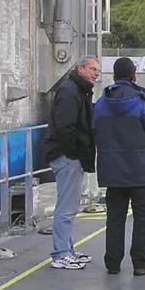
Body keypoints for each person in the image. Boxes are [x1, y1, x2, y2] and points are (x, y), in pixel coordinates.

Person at [92, 57, 145, 275]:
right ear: (134, 76)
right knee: (142, 216)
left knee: (115, 217)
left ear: (114, 76)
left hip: (111, 169)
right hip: (139, 169)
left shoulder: (102, 102)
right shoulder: (142, 101)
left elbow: (94, 128)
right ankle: (141, 262)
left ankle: (113, 263)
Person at [42, 56, 100, 270]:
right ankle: (60, 253)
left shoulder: (78, 90)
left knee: (70, 205)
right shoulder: (69, 91)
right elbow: (65, 126)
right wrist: (75, 153)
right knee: (66, 207)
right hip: (67, 156)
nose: (96, 73)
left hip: (72, 156)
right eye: (92, 69)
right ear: (80, 69)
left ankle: (67, 248)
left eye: (98, 70)